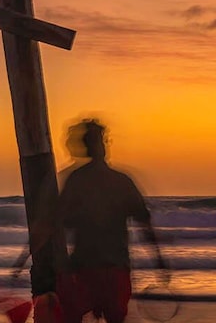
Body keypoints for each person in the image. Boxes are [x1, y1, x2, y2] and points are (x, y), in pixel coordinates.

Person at [52, 119, 162, 323]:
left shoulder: (77, 180)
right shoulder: (120, 181)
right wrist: (159, 260)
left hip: (87, 268)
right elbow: (144, 223)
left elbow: (59, 222)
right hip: (111, 269)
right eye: (101, 141)